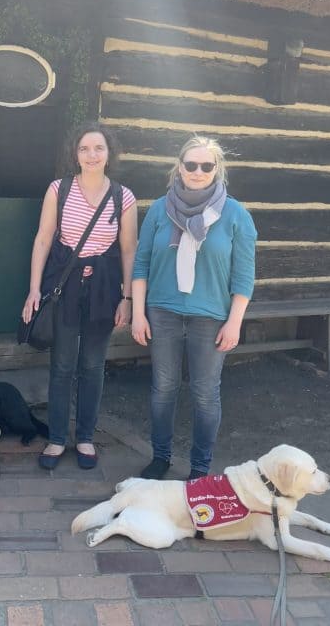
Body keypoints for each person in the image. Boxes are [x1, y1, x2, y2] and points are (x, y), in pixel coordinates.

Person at [131, 135, 256, 480]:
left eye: (206, 165)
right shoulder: (159, 209)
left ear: (217, 170)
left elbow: (244, 277)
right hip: (163, 312)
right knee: (163, 388)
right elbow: (140, 264)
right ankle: (160, 458)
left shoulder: (235, 214)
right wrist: (138, 313)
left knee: (205, 394)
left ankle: (199, 469)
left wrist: (234, 323)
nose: (198, 171)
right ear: (180, 167)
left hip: (211, 318)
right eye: (191, 164)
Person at [22, 122, 137, 470]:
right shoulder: (59, 189)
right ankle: (57, 438)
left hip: (104, 286)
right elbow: (43, 239)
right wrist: (34, 289)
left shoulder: (123, 196)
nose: (91, 155)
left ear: (108, 154)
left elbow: (130, 249)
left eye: (98, 148)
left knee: (92, 364)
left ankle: (85, 436)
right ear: (76, 153)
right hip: (65, 285)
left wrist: (127, 298)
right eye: (85, 148)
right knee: (62, 364)